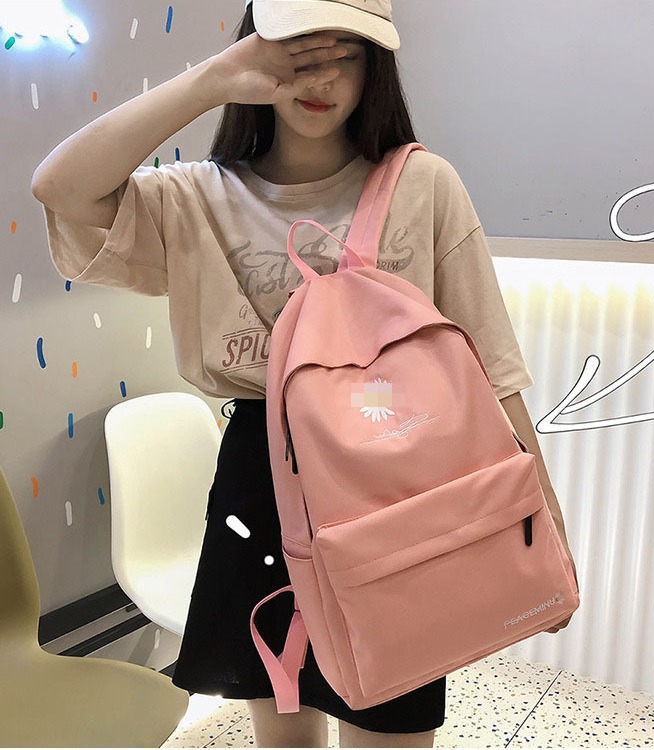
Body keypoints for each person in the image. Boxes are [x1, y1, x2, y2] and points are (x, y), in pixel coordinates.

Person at [32, 0, 578, 746]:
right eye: (296, 54)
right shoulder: (195, 198)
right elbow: (60, 186)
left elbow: (492, 363)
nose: (319, 79)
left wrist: (541, 515)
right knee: (283, 722)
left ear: (374, 67)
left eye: (343, 55)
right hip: (260, 476)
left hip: (397, 473)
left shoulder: (423, 185)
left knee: (392, 721)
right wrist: (212, 80)